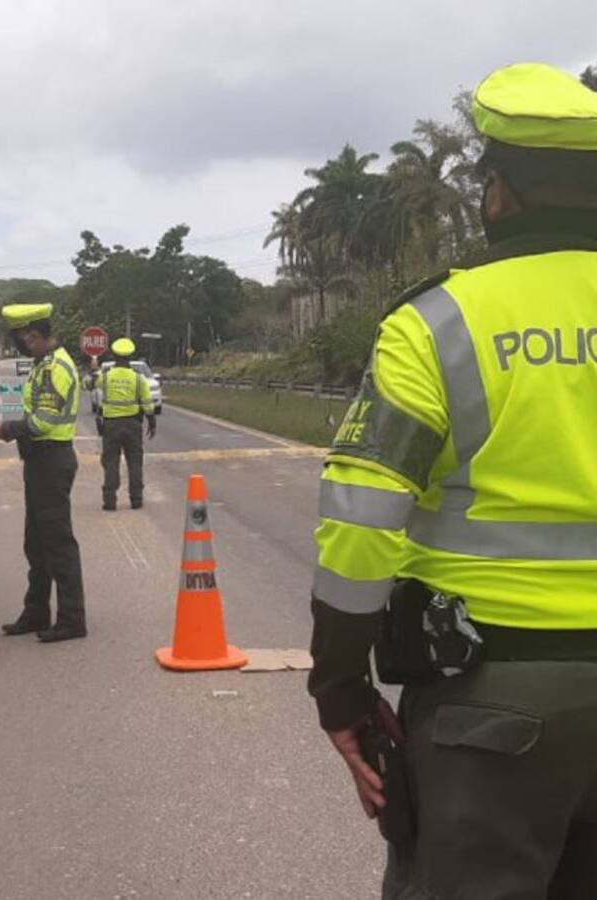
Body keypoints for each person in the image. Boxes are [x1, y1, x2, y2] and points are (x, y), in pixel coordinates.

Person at [308, 63, 597, 899]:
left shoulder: (436, 323)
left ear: (498, 194)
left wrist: (341, 690)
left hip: (488, 708)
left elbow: (361, 523)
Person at [0, 304, 87, 643]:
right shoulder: (43, 364)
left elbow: (44, 421)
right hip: (40, 461)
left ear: (39, 336)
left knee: (58, 543)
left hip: (51, 460)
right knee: (36, 542)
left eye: (26, 338)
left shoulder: (54, 368)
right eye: (21, 338)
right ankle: (36, 612)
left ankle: (72, 619)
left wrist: (8, 429)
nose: (23, 344)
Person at [97, 338, 156, 511]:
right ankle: (136, 499)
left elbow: (87, 384)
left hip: (111, 425)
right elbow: (147, 402)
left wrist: (93, 370)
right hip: (132, 424)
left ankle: (109, 500)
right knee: (135, 462)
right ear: (130, 357)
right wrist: (151, 421)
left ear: (114, 356)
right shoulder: (138, 379)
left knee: (111, 462)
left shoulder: (105, 377)